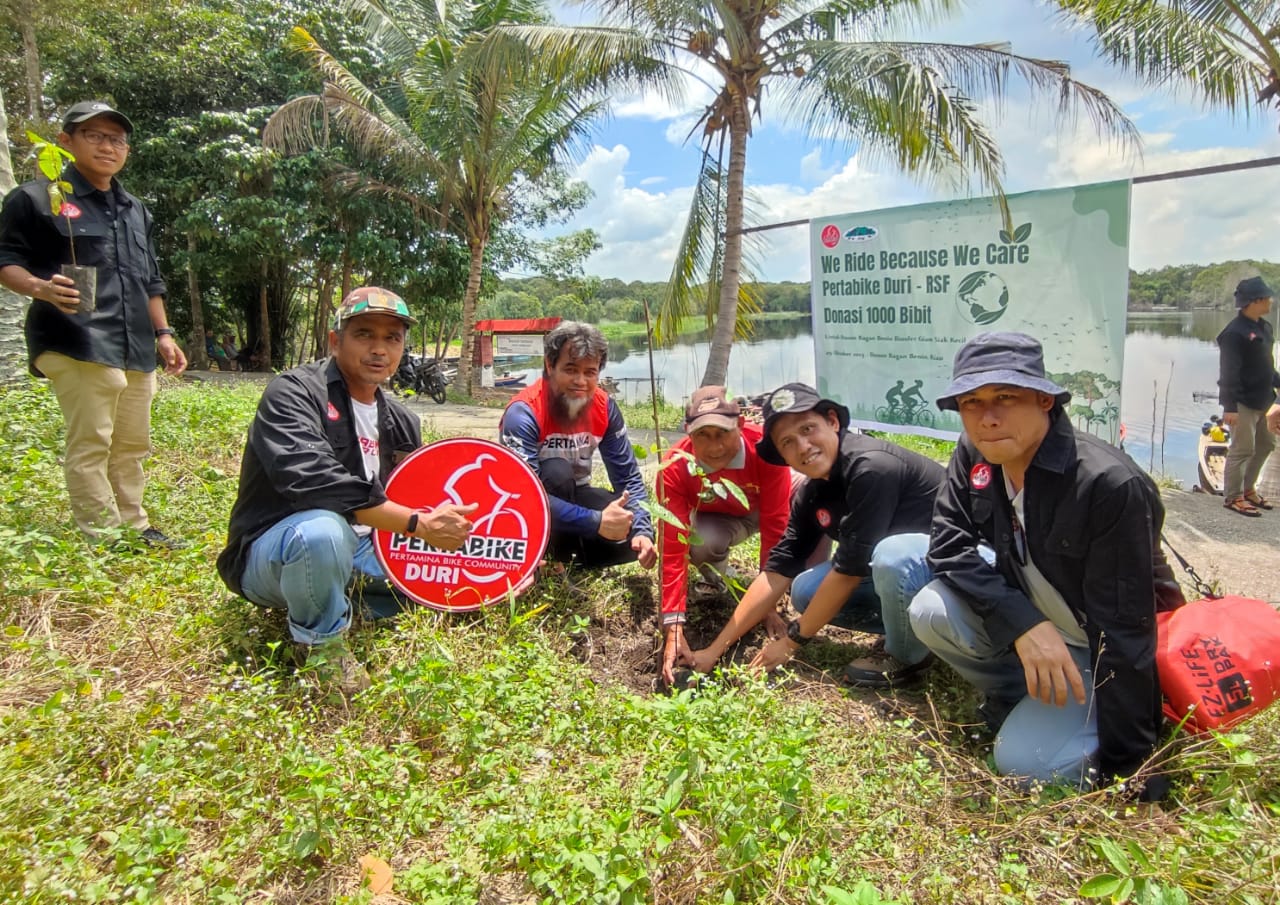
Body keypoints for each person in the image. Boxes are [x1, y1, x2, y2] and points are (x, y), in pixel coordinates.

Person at [908, 332, 1185, 799]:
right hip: (1041, 621)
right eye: (971, 402)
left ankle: (1075, 710)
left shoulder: (1107, 483)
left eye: (1005, 397)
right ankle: (1019, 693)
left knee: (1024, 764)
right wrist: (1024, 623)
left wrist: (1131, 767)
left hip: (1100, 646)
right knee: (930, 610)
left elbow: (1126, 634)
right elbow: (948, 544)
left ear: (1044, 400)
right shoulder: (976, 450)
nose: (987, 417)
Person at [216, 287, 477, 697]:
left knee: (460, 578)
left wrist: (499, 567)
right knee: (322, 531)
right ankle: (322, 649)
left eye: (392, 338)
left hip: (366, 550)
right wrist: (419, 525)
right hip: (279, 551)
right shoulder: (294, 394)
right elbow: (315, 482)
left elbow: (416, 500)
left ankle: (351, 601)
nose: (379, 349)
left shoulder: (403, 421)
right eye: (364, 334)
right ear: (335, 340)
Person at [0, 100, 187, 546]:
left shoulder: (135, 209)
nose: (108, 147)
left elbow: (150, 279)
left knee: (132, 442)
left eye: (117, 139)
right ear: (66, 141)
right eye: (95, 136)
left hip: (135, 342)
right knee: (93, 441)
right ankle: (103, 535)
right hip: (75, 336)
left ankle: (134, 525)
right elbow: (6, 260)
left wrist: (163, 333)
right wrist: (41, 288)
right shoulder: (35, 198)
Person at [686, 383, 945, 686]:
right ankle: (911, 630)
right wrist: (715, 650)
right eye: (787, 442)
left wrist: (792, 641)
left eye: (808, 429)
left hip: (956, 573)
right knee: (805, 591)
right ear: (781, 454)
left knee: (892, 556)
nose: (803, 446)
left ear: (832, 421)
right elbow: (778, 570)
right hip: (906, 576)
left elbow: (848, 571)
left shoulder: (871, 468)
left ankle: (907, 655)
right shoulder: (813, 493)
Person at [656, 386, 793, 685]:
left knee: (807, 499)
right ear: (688, 432)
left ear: (740, 425)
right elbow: (673, 546)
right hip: (718, 516)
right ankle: (720, 579)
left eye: (722, 433)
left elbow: (775, 527)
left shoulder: (766, 449)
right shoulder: (675, 465)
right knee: (702, 542)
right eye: (703, 435)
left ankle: (803, 588)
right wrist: (673, 627)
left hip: (766, 506)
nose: (714, 447)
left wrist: (769, 605)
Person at [499, 321, 657, 570]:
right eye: (570, 370)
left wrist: (642, 531)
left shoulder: (605, 408)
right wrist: (595, 521)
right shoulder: (524, 412)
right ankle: (550, 554)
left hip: (577, 497)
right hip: (529, 508)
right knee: (557, 471)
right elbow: (523, 495)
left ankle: (565, 558)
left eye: (590, 372)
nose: (580, 381)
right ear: (550, 366)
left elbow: (627, 477)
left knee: (630, 531)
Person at [1217, 276, 1280, 516]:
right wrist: (1229, 407)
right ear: (1254, 301)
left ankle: (1248, 489)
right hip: (1242, 402)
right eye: (1267, 298)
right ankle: (1233, 497)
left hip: (1265, 399)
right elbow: (1228, 373)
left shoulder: (1265, 328)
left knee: (1266, 445)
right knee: (1242, 449)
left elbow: (1267, 366)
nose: (1271, 301)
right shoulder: (1234, 333)